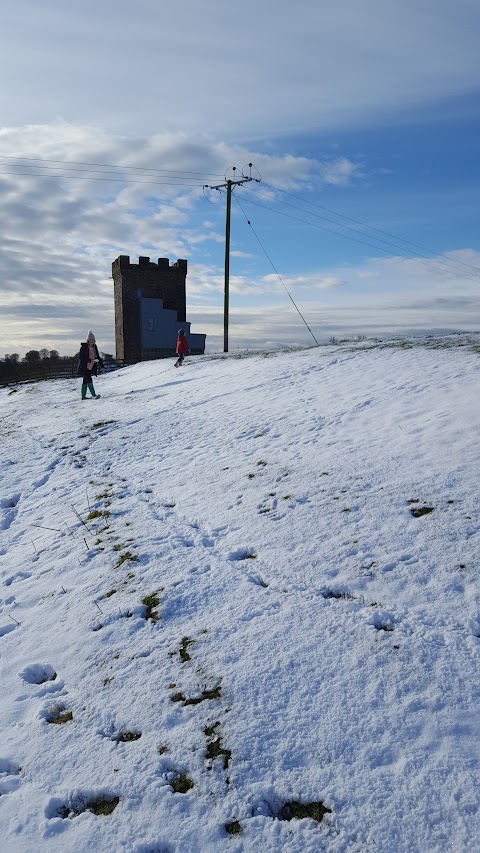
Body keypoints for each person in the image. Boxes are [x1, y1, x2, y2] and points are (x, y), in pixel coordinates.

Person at [77, 331, 104, 399]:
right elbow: (81, 357)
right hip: (84, 367)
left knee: (85, 381)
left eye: (93, 339)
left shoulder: (95, 347)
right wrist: (89, 360)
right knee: (89, 379)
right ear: (87, 340)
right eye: (90, 339)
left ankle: (83, 396)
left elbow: (97, 356)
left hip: (91, 367)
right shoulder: (84, 347)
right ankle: (94, 395)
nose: (91, 341)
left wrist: (101, 365)